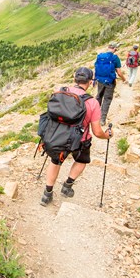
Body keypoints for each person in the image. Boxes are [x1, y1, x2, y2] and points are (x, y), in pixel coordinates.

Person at [41, 67, 113, 206]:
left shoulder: (60, 91)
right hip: (79, 140)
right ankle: (67, 186)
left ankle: (47, 194)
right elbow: (97, 132)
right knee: (82, 160)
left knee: (55, 161)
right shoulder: (92, 103)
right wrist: (107, 135)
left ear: (75, 79)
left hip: (57, 136)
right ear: (91, 82)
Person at [93, 42, 126, 125]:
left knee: (99, 97)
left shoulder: (100, 56)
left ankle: (93, 116)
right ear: (114, 49)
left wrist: (94, 78)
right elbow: (119, 72)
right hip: (110, 82)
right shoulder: (115, 58)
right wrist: (124, 79)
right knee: (107, 100)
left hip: (100, 80)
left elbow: (96, 68)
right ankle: (102, 120)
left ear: (108, 47)